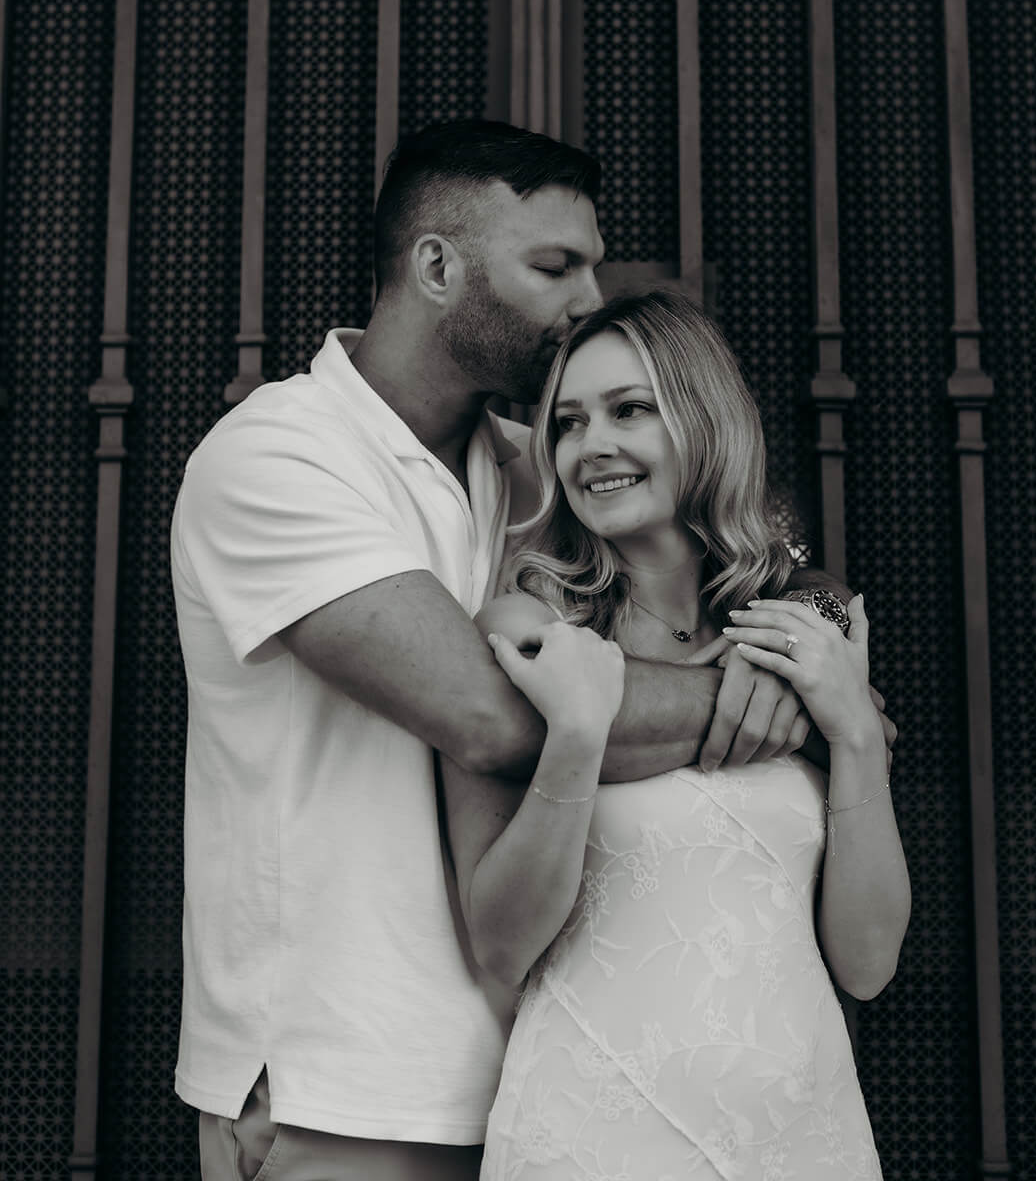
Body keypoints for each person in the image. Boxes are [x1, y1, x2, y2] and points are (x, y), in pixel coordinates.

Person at [172, 121, 846, 1181]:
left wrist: (816, 636)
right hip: (350, 1083)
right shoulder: (277, 455)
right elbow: (490, 716)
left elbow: (748, 546)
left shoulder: (534, 460)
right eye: (553, 266)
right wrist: (772, 694)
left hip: (555, 1081)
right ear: (437, 267)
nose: (585, 299)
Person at [440, 288, 911, 1179]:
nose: (593, 446)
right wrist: (576, 738)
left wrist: (852, 733)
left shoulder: (806, 626)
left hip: (800, 1132)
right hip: (593, 1131)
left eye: (630, 410)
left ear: (703, 420)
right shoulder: (527, 628)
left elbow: (867, 963)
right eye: (569, 423)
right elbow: (501, 947)